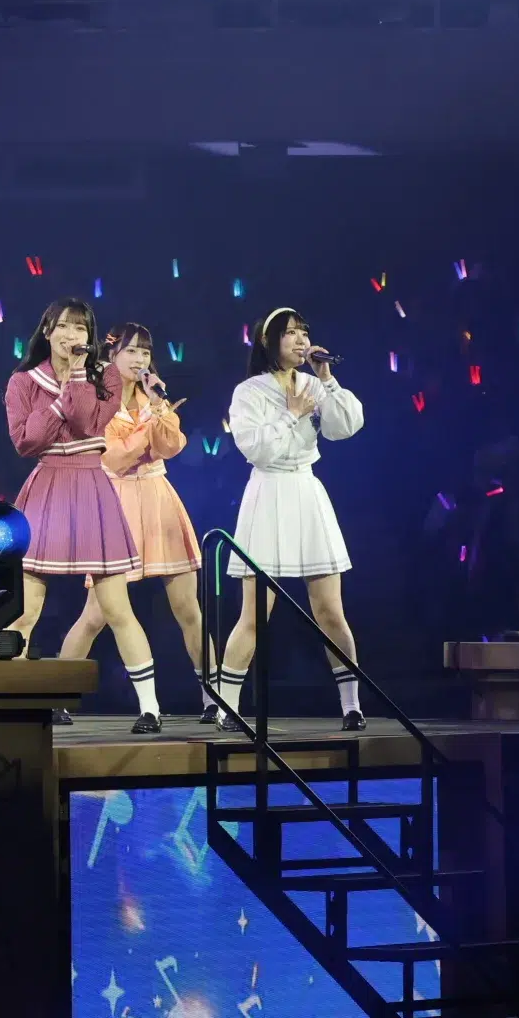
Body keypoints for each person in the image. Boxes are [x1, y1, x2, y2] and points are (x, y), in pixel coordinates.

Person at [3, 298, 166, 734]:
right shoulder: (23, 381)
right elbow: (26, 441)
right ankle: (12, 703)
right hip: (47, 486)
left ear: (90, 337)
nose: (71, 336)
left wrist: (75, 378)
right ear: (47, 331)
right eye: (63, 327)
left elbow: (88, 425)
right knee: (26, 610)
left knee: (117, 607)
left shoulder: (106, 376)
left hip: (92, 485)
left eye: (80, 329)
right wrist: (58, 403)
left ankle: (150, 707)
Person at [215, 308, 369, 730]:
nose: (301, 340)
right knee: (254, 613)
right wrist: (292, 413)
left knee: (331, 611)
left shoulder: (312, 383)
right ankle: (226, 706)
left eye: (304, 332)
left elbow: (345, 427)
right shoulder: (248, 391)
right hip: (268, 492)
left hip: (306, 491)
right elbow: (256, 449)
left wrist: (327, 379)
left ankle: (352, 705)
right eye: (291, 334)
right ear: (270, 342)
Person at [55, 325, 214, 722]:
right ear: (112, 355)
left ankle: (214, 698)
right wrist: (148, 426)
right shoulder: (95, 399)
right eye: (131, 351)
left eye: (145, 352)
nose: (140, 359)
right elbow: (114, 458)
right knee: (96, 614)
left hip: (158, 498)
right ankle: (57, 696)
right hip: (115, 501)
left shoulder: (152, 397)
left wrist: (159, 410)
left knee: (188, 608)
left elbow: (171, 447)